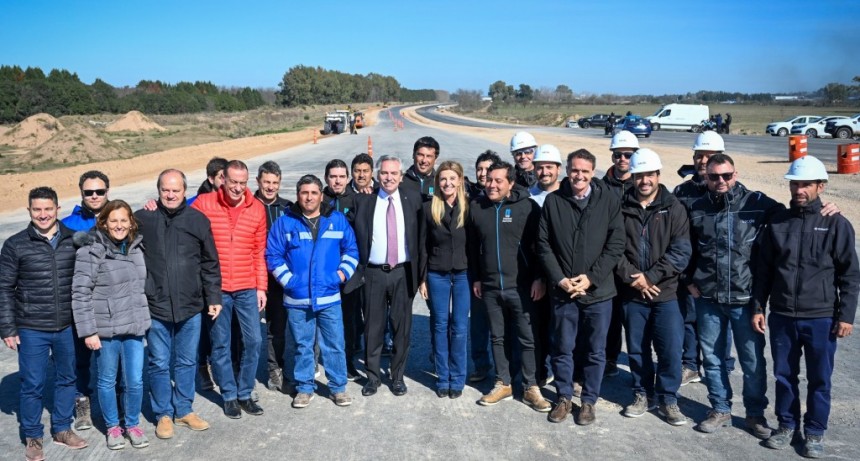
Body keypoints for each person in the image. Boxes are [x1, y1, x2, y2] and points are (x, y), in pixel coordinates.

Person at [753, 156, 859, 458]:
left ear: (820, 186)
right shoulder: (777, 223)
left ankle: (814, 432)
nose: (799, 189)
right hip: (783, 315)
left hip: (821, 317)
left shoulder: (836, 223)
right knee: (784, 375)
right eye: (795, 183)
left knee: (819, 379)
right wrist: (758, 307)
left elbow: (849, 274)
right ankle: (786, 426)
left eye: (806, 184)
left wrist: (846, 316)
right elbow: (764, 272)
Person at [687, 153, 781, 438]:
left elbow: (792, 216)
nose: (721, 181)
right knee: (713, 359)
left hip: (745, 300)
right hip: (708, 299)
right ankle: (720, 408)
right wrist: (688, 279)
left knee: (752, 362)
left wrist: (825, 209)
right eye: (714, 176)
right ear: (706, 176)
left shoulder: (757, 204)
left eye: (726, 176)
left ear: (735, 174)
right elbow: (684, 247)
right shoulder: (696, 208)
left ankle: (755, 415)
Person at [536, 149, 625, 425]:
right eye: (575, 170)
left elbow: (616, 244)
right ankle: (563, 397)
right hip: (564, 292)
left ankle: (588, 401)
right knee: (562, 347)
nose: (579, 175)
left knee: (595, 350)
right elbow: (543, 244)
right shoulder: (553, 201)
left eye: (585, 171)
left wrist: (591, 278)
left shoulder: (608, 200)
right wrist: (560, 279)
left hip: (598, 292)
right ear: (567, 169)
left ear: (593, 172)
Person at [0, 187, 89, 461]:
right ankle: (33, 436)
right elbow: (4, 287)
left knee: (67, 379)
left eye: (48, 209)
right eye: (37, 209)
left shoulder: (74, 239)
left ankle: (62, 429)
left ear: (57, 209)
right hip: (32, 327)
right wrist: (7, 328)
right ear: (29, 211)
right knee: (32, 384)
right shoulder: (15, 245)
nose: (43, 214)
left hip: (67, 326)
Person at [135, 169, 222, 440]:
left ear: (185, 191)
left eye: (175, 190)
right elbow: (114, 231)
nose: (170, 195)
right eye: (165, 190)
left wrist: (214, 297)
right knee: (159, 362)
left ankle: (184, 409)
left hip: (191, 305)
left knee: (186, 361)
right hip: (157, 305)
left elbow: (210, 262)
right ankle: (163, 413)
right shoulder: (143, 219)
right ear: (158, 191)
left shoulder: (198, 220)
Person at [266, 174, 359, 408]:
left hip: (329, 297)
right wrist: (290, 281)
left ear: (321, 194)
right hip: (298, 298)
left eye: (314, 192)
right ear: (298, 195)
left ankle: (338, 387)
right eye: (304, 192)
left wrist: (339, 276)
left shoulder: (336, 220)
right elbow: (273, 255)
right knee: (302, 345)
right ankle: (305, 387)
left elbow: (351, 250)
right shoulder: (285, 222)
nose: (309, 197)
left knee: (334, 344)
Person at [615, 149, 691, 426]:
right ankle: (641, 393)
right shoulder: (621, 208)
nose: (644, 180)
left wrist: (651, 277)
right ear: (632, 177)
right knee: (637, 348)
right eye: (639, 175)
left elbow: (680, 252)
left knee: (670, 349)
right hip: (632, 292)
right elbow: (613, 249)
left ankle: (668, 399)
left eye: (649, 174)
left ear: (658, 175)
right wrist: (634, 278)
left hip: (666, 293)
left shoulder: (674, 208)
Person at [71, 200, 151, 450]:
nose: (119, 225)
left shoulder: (137, 249)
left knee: (135, 381)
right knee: (106, 380)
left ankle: (132, 424)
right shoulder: (91, 250)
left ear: (131, 223)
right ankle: (113, 428)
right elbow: (80, 292)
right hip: (106, 330)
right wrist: (88, 331)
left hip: (134, 327)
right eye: (113, 221)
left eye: (124, 220)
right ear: (103, 222)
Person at [468, 161, 548, 411]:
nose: (491, 184)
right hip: (491, 287)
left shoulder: (527, 208)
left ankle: (530, 387)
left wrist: (539, 277)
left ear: (511, 183)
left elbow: (540, 247)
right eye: (489, 179)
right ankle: (503, 382)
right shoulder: (477, 208)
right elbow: (472, 248)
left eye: (498, 180)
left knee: (527, 338)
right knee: (498, 337)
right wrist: (477, 278)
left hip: (522, 287)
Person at [192, 160, 267, 419]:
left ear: (248, 182)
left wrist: (261, 288)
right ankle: (229, 396)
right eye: (232, 181)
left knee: (254, 341)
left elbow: (259, 252)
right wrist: (153, 205)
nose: (237, 188)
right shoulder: (204, 203)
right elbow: (179, 215)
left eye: (242, 183)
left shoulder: (256, 208)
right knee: (220, 344)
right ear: (222, 179)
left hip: (247, 286)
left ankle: (245, 392)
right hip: (218, 289)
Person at [349, 155, 424, 397]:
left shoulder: (412, 199)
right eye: (384, 173)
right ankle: (373, 377)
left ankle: (398, 376)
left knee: (401, 327)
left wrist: (421, 275)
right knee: (373, 326)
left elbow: (422, 236)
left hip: (402, 272)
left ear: (401, 176)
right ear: (377, 175)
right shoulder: (364, 202)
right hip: (373, 273)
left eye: (393, 173)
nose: (388, 177)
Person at [673, 131, 734, 386]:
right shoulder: (682, 191)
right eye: (699, 155)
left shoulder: (731, 191)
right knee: (689, 316)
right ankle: (690, 364)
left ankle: (722, 365)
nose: (702, 160)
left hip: (718, 267)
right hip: (690, 265)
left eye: (708, 156)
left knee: (721, 319)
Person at [62, 170, 111, 430]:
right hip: (79, 302)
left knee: (112, 358)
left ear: (107, 192)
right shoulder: (67, 224)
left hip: (110, 301)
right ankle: (82, 405)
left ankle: (116, 403)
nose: (94, 196)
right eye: (89, 192)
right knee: (79, 359)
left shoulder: (118, 218)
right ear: (81, 193)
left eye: (99, 191)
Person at [418, 161, 470, 399]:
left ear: (460, 180)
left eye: (452, 178)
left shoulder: (469, 208)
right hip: (436, 273)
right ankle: (443, 377)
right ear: (437, 182)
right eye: (443, 179)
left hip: (463, 275)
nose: (447, 183)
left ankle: (457, 379)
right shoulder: (430, 208)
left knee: (459, 328)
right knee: (440, 326)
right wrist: (422, 278)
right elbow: (423, 247)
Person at [253, 161, 294, 393]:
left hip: (279, 280)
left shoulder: (288, 208)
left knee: (276, 330)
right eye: (266, 182)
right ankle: (240, 371)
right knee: (246, 331)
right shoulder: (247, 204)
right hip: (251, 279)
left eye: (275, 183)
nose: (270, 187)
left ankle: (275, 370)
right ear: (258, 181)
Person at [602, 130, 638, 378]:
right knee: (611, 319)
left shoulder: (646, 184)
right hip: (609, 264)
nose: (623, 159)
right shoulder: (601, 187)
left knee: (636, 322)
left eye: (627, 154)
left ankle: (640, 370)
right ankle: (610, 358)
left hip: (637, 265)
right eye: (618, 154)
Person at [528, 145, 563, 387]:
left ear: (558, 169)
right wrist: (538, 275)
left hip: (564, 274)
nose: (544, 172)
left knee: (563, 330)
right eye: (540, 167)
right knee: (539, 326)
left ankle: (566, 373)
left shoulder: (569, 195)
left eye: (549, 167)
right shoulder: (527, 197)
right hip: (538, 274)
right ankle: (541, 369)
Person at [323, 159, 363, 381]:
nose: (337, 181)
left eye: (341, 176)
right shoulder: (318, 200)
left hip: (350, 273)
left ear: (347, 178)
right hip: (324, 272)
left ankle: (347, 362)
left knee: (349, 321)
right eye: (332, 176)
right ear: (326, 178)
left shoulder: (357, 200)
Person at [465, 150, 502, 383]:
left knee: (500, 325)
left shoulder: (504, 196)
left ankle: (504, 369)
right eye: (479, 169)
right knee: (478, 323)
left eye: (488, 170)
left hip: (500, 272)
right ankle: (481, 364)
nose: (482, 174)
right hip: (476, 271)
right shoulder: (469, 196)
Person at [193, 156, 227, 388]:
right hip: (203, 275)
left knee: (224, 329)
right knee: (205, 328)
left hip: (227, 275)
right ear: (211, 179)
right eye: (222, 177)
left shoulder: (232, 200)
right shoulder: (197, 203)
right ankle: (203, 367)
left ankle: (224, 366)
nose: (227, 182)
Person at [401, 136, 440, 201]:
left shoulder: (439, 183)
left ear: (435, 159)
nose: (424, 160)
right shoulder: (401, 181)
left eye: (429, 156)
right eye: (420, 155)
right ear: (413, 155)